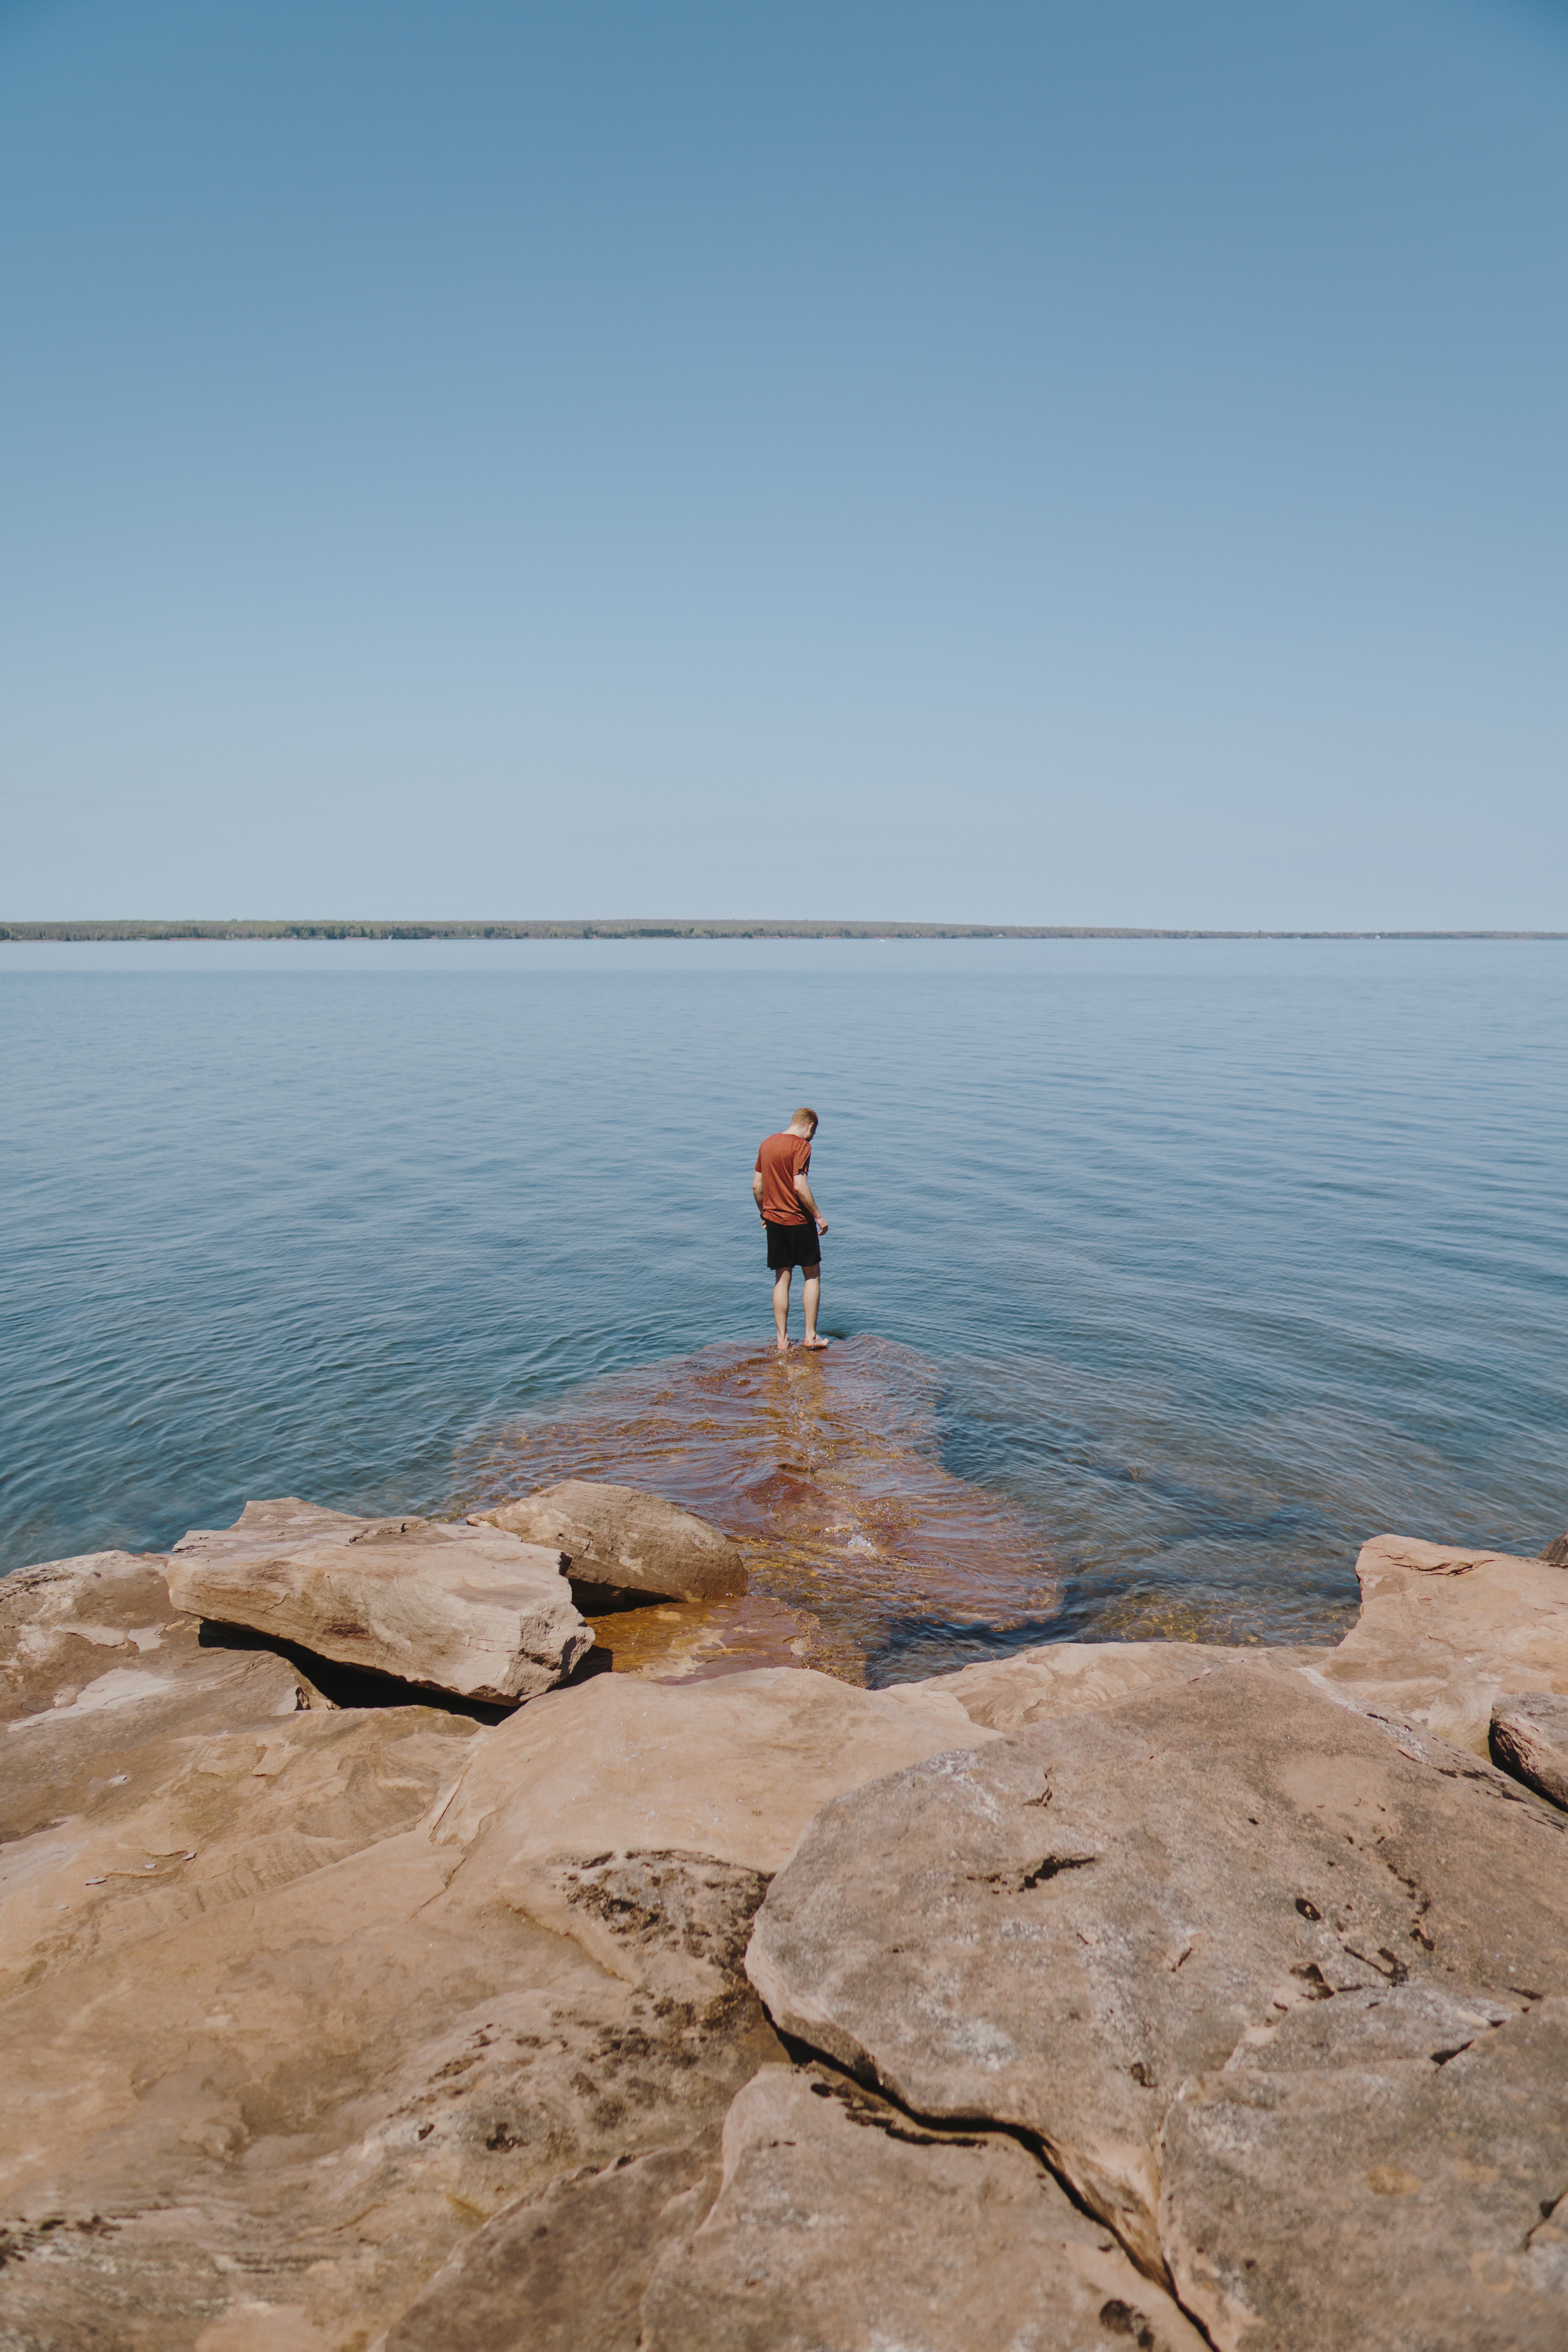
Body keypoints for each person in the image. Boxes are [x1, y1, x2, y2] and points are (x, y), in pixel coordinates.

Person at [753, 1107, 829, 1352]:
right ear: (810, 1126)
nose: (813, 1137)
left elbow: (757, 1186)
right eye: (814, 1132)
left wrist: (764, 1214)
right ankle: (811, 1336)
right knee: (812, 1275)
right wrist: (818, 1217)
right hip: (798, 1221)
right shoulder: (802, 1147)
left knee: (782, 1279)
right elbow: (800, 1186)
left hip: (774, 1221)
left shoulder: (767, 1144)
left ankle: (782, 1340)